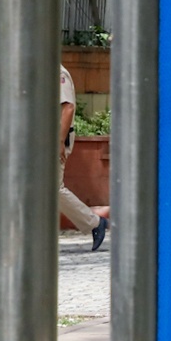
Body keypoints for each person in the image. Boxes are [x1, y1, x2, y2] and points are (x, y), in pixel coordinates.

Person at [59, 63, 108, 251]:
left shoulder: (58, 73)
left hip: (54, 140)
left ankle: (94, 223)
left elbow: (68, 107)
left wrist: (59, 142)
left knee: (53, 188)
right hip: (40, 140)